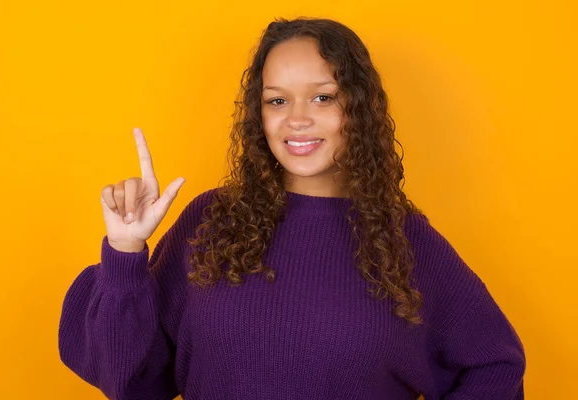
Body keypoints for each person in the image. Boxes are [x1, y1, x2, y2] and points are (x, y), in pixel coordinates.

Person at [58, 17, 526, 400]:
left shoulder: (402, 241)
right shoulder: (210, 223)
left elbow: (496, 366)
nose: (297, 117)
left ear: (357, 109)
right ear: (258, 116)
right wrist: (125, 250)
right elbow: (131, 380)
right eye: (277, 100)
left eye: (323, 97)